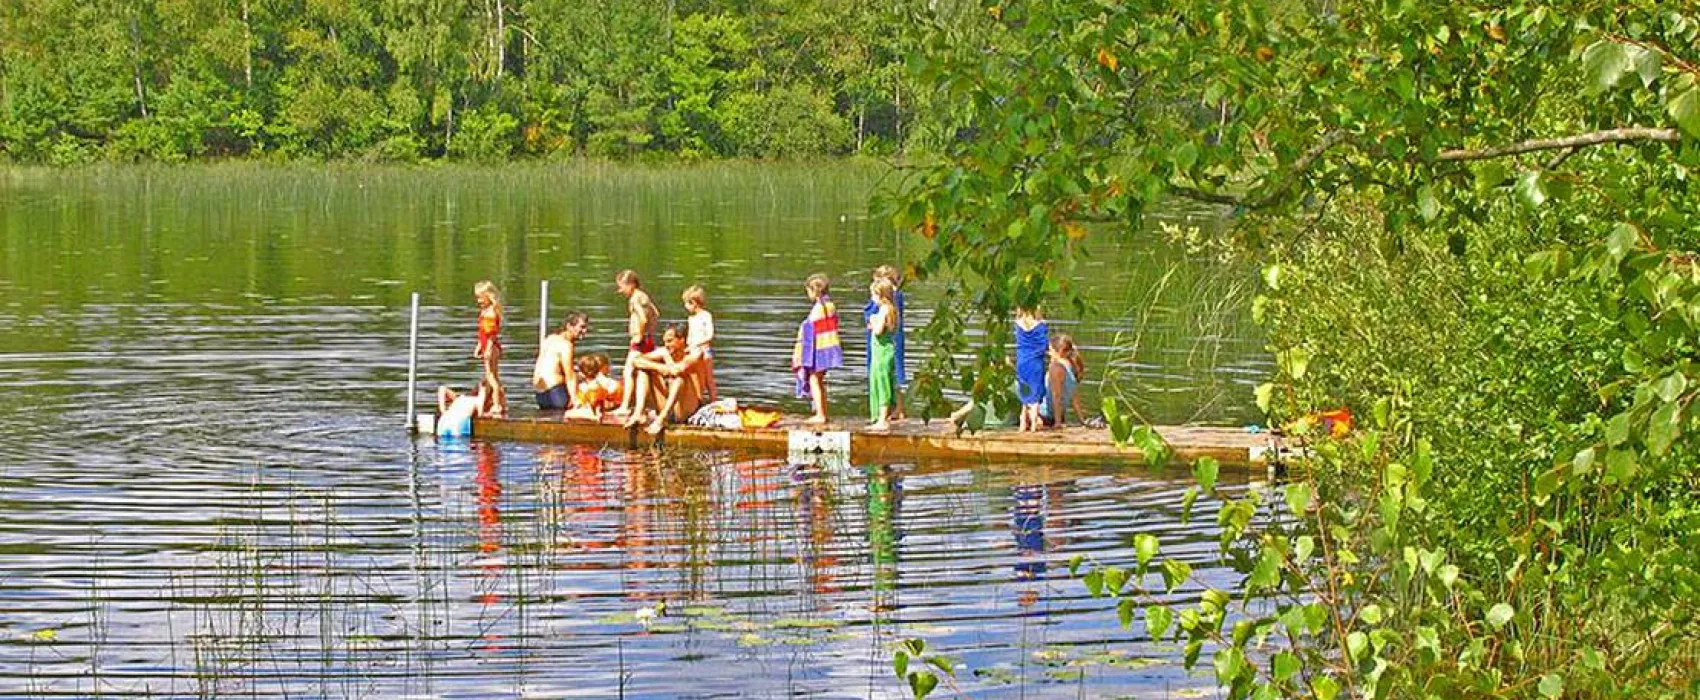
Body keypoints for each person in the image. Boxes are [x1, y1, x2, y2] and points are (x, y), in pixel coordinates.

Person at [623, 324, 708, 434]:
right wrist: (659, 367)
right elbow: (635, 360)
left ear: (682, 340)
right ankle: (639, 413)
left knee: (679, 379)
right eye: (665, 342)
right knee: (643, 371)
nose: (666, 345)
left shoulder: (694, 354)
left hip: (688, 409)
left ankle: (661, 419)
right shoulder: (664, 352)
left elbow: (678, 369)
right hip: (668, 405)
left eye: (670, 341)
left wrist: (665, 366)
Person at [792, 273, 844, 425]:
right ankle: (822, 411)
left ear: (814, 291)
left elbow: (809, 332)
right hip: (828, 348)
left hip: (817, 350)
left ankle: (820, 414)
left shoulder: (818, 308)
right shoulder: (831, 305)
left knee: (814, 379)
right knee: (820, 380)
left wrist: (800, 355)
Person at [863, 265, 908, 420]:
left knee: (889, 373)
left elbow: (876, 320)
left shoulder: (890, 299)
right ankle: (895, 408)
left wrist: (873, 320)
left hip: (887, 340)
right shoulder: (894, 297)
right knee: (890, 374)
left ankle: (894, 409)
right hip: (888, 339)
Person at [533, 312, 589, 410]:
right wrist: (575, 401)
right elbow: (570, 376)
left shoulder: (550, 339)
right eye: (582, 327)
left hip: (540, 395)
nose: (585, 331)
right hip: (556, 394)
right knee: (585, 384)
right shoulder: (566, 345)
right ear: (569, 326)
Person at [866, 278, 900, 431]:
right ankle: (880, 417)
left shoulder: (885, 309)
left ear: (881, 295)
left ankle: (882, 419)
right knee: (879, 381)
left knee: (882, 383)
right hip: (880, 351)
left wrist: (873, 321)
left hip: (882, 352)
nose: (872, 298)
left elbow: (879, 330)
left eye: (873, 295)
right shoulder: (890, 309)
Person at [473, 281, 507, 416]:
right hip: (489, 345)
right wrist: (479, 346)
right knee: (494, 376)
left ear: (488, 296)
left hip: (491, 346)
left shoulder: (491, 313)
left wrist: (486, 348)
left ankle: (497, 404)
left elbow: (491, 334)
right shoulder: (486, 311)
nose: (479, 300)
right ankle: (500, 402)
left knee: (491, 376)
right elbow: (483, 332)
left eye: (481, 297)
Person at [1014, 305, 1049, 432]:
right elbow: (1044, 345)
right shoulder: (1041, 325)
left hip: (1021, 361)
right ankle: (1034, 425)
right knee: (1035, 395)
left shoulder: (1017, 323)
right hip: (1035, 363)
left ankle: (1023, 424)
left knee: (1025, 392)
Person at [1041, 334, 1086, 427]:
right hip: (1060, 416)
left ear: (1059, 351)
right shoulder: (1071, 366)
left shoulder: (1055, 368)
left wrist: (1057, 423)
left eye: (1050, 350)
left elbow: (1056, 396)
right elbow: (1075, 398)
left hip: (1045, 416)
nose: (1048, 353)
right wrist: (1082, 420)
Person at [682, 284, 718, 402]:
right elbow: (690, 337)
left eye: (686, 303)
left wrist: (697, 344)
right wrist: (687, 347)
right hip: (693, 352)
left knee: (709, 380)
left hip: (704, 351)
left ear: (693, 302)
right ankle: (698, 401)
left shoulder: (706, 316)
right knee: (696, 379)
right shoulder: (691, 319)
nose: (685, 306)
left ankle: (714, 402)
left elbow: (709, 335)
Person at [564, 354, 624, 421]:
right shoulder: (600, 385)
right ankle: (596, 414)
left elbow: (579, 404)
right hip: (601, 409)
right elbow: (602, 401)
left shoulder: (583, 387)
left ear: (581, 374)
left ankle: (593, 416)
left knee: (567, 413)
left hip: (590, 412)